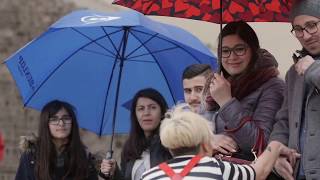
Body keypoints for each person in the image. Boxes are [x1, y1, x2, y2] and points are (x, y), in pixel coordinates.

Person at [141, 104, 299, 180]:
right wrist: (276, 145)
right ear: (204, 144)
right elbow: (260, 171)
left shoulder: (148, 176)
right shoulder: (216, 168)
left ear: (170, 148)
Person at [202, 21, 285, 160]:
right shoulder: (215, 84)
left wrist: (226, 102)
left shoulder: (272, 86)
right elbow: (198, 133)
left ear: (253, 50)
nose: (232, 57)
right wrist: (209, 140)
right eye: (225, 51)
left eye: (240, 49)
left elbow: (260, 145)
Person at [269, 0, 320, 179]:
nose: (305, 36)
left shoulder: (308, 67)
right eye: (298, 29)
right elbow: (284, 120)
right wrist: (275, 154)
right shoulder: (294, 72)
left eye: (312, 26)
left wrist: (314, 70)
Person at [100, 88, 172, 180]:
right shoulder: (130, 147)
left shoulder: (171, 144)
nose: (146, 113)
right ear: (135, 114)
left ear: (162, 112)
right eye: (141, 109)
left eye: (152, 107)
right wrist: (114, 173)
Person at [15, 100, 98, 180]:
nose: (61, 123)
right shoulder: (31, 157)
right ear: (46, 124)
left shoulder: (83, 157)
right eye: (54, 119)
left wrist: (107, 174)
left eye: (66, 118)